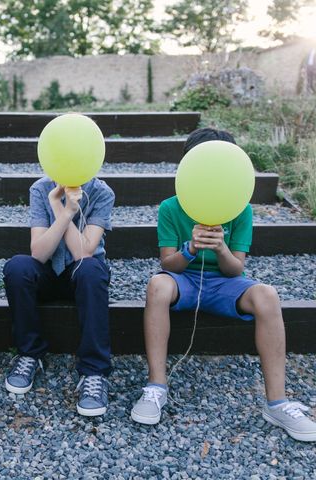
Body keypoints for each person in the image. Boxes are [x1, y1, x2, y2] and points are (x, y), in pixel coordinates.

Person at [130, 127, 316, 442]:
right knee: (157, 286)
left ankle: (278, 403)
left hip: (224, 285)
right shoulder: (171, 207)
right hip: (183, 281)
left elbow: (236, 269)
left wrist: (220, 248)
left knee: (267, 294)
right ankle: (156, 387)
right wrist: (190, 249)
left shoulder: (239, 209)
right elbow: (167, 264)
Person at [3, 174, 115, 417]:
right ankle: (29, 354)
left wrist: (69, 209)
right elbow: (39, 254)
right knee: (17, 267)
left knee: (93, 269)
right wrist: (61, 210)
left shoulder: (101, 192)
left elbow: (83, 252)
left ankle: (94, 371)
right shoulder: (41, 188)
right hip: (47, 272)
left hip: (83, 276)